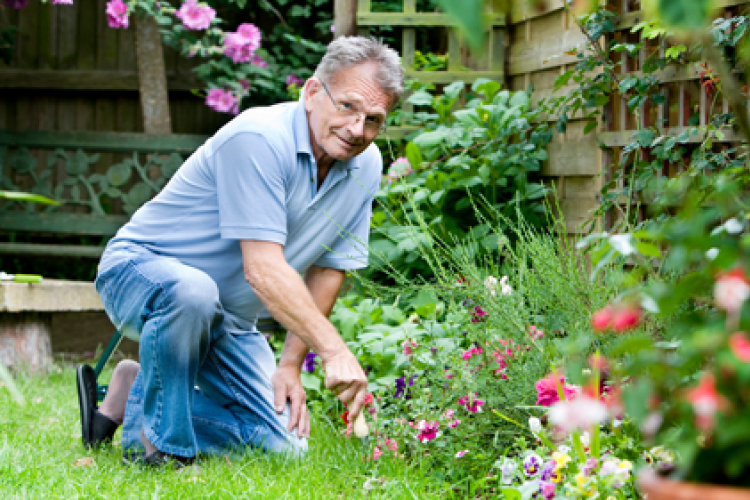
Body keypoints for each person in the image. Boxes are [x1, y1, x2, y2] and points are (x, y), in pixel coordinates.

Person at [76, 36, 405, 467]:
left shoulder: (366, 163)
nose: (357, 130)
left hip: (229, 318)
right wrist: (334, 351)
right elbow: (263, 270)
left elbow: (328, 268)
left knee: (284, 447)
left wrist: (290, 365)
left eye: (373, 119)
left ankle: (135, 389)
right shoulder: (259, 138)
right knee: (193, 291)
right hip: (141, 272)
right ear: (311, 92)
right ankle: (161, 448)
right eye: (347, 106)